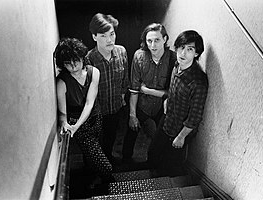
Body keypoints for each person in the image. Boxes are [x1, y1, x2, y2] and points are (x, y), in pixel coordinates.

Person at [147, 30, 209, 177]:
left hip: (180, 130)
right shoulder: (177, 65)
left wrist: (181, 137)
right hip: (167, 119)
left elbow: (195, 116)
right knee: (153, 153)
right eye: (181, 47)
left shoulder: (198, 81)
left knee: (170, 165)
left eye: (190, 49)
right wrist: (168, 99)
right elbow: (172, 87)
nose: (183, 53)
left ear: (196, 53)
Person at [54, 38, 113, 185]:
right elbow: (63, 113)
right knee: (106, 167)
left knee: (95, 150)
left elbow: (89, 103)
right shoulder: (62, 82)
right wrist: (70, 125)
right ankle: (108, 183)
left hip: (94, 116)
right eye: (68, 63)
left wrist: (76, 125)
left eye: (76, 60)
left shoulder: (94, 72)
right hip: (78, 124)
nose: (73, 66)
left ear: (82, 57)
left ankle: (91, 171)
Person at [122, 23, 176, 163]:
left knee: (161, 137)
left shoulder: (173, 59)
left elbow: (172, 93)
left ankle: (157, 165)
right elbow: (134, 89)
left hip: (160, 107)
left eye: (157, 40)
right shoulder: (139, 56)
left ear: (164, 39)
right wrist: (132, 115)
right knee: (131, 132)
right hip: (141, 104)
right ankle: (126, 162)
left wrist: (147, 90)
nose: (153, 45)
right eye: (149, 41)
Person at [85, 13, 129, 164]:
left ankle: (108, 161)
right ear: (94, 37)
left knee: (110, 139)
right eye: (103, 35)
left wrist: (122, 97)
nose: (109, 40)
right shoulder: (89, 59)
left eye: (112, 34)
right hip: (96, 113)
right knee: (95, 146)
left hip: (115, 109)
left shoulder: (122, 51)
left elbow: (125, 79)